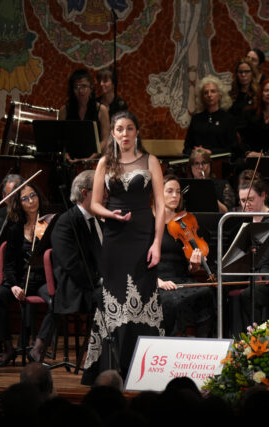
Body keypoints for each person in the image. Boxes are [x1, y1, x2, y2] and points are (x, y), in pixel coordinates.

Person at [82, 110, 165, 385]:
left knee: (144, 295)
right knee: (114, 299)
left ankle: (144, 369)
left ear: (137, 132)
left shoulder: (150, 160)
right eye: (120, 129)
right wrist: (111, 215)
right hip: (115, 237)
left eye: (130, 128)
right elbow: (94, 204)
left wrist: (157, 243)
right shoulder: (105, 162)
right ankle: (112, 368)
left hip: (143, 236)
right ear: (113, 133)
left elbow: (161, 205)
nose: (125, 133)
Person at [0, 181, 55, 366]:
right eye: (25, 198)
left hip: (42, 280)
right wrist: (13, 285)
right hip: (20, 280)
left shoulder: (49, 224)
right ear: (19, 204)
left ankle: (37, 348)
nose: (31, 201)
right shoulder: (15, 229)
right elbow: (9, 264)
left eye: (33, 195)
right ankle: (8, 348)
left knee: (57, 300)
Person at [156, 175, 215, 337]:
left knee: (207, 293)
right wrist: (159, 282)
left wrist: (194, 265)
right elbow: (139, 262)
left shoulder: (185, 224)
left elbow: (191, 269)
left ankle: (202, 346)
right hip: (158, 280)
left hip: (182, 279)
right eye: (169, 191)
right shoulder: (150, 223)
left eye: (178, 192)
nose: (175, 196)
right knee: (172, 302)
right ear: (159, 193)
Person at [50, 170, 103, 316]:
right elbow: (72, 265)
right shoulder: (66, 222)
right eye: (100, 190)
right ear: (84, 193)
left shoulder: (98, 220)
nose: (105, 195)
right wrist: (100, 280)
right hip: (78, 287)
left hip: (99, 283)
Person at [59, 68, 110, 159]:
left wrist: (90, 158)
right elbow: (61, 139)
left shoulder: (101, 110)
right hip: (70, 159)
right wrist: (66, 155)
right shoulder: (64, 110)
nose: (81, 91)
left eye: (84, 86)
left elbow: (105, 140)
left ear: (91, 88)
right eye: (76, 87)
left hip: (94, 159)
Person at [183, 75, 238, 158]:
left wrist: (210, 152)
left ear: (220, 95)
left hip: (221, 162)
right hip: (198, 162)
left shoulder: (228, 119)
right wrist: (195, 152)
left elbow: (233, 149)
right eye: (206, 92)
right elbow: (186, 148)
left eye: (213, 91)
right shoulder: (196, 119)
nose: (209, 95)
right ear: (202, 97)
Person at [238, 77, 269, 157]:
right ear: (261, 93)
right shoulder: (249, 113)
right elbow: (241, 137)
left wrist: (265, 155)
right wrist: (247, 152)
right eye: (266, 90)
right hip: (250, 156)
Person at [188, 148, 236, 213]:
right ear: (191, 167)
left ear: (210, 165)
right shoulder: (187, 187)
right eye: (196, 163)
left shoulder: (222, 185)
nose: (201, 167)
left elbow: (227, 212)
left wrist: (209, 192)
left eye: (204, 163)